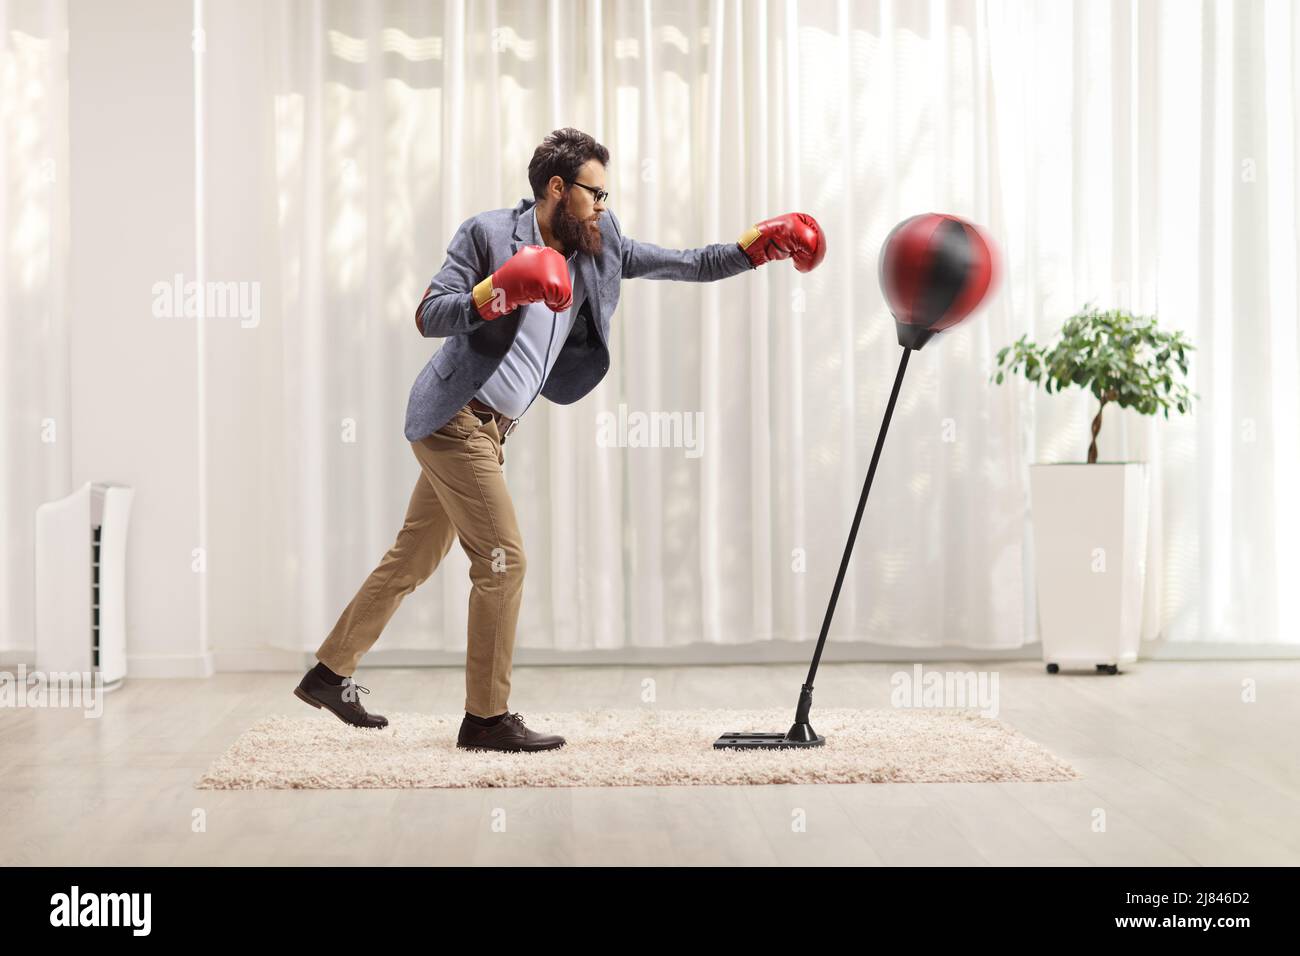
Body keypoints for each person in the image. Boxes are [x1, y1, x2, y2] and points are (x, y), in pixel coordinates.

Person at [294, 127, 825, 752]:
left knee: (413, 558)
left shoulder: (601, 243)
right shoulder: (488, 234)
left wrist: (757, 247)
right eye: (594, 192)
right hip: (452, 417)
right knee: (504, 560)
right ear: (556, 188)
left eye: (606, 194)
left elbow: (689, 263)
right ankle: (486, 719)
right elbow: (429, 313)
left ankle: (328, 674)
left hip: (493, 431)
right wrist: (498, 290)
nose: (604, 204)